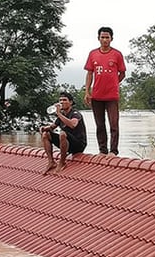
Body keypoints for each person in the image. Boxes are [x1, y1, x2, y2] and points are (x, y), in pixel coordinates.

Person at [84, 26, 126, 156]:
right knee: (99, 125)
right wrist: (87, 92)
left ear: (111, 39)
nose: (105, 40)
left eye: (107, 37)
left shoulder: (117, 54)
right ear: (98, 38)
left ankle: (113, 151)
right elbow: (90, 74)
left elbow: (123, 73)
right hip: (97, 95)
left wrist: (114, 83)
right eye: (102, 37)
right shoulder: (93, 54)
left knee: (114, 124)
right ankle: (102, 150)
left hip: (112, 96)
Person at [40, 92, 87, 173]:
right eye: (60, 100)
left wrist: (58, 113)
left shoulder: (75, 113)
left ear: (71, 102)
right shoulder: (61, 116)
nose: (62, 102)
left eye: (64, 100)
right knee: (46, 134)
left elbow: (73, 124)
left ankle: (62, 162)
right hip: (66, 141)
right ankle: (51, 162)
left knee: (62, 133)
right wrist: (44, 128)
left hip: (78, 144)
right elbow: (52, 127)